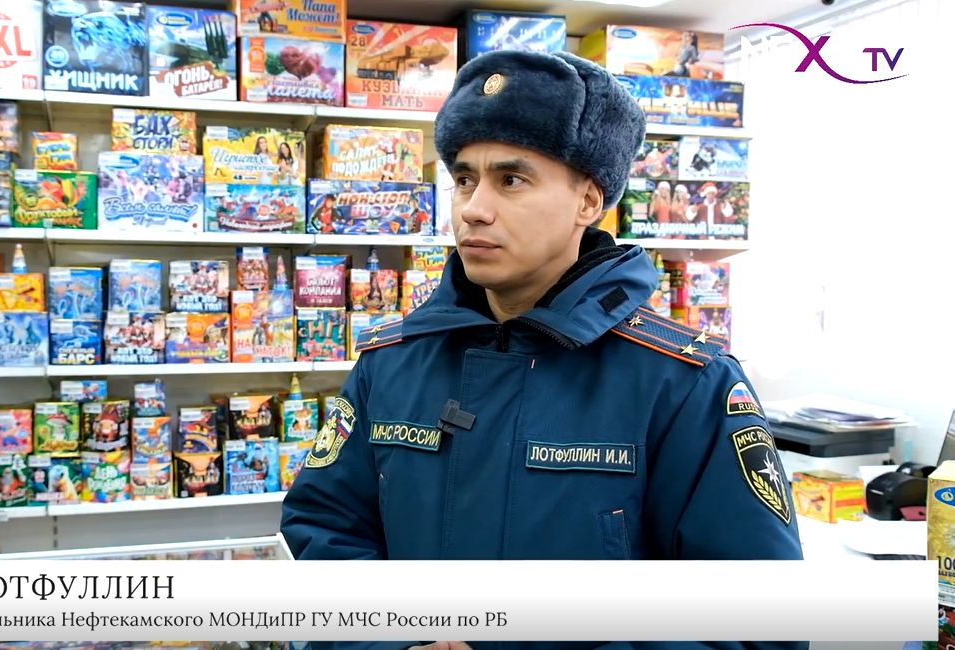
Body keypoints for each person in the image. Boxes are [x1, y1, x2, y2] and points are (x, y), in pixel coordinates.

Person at [281, 49, 806, 650]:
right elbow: (325, 531)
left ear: (589, 201)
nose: (474, 209)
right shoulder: (391, 362)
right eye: (464, 180)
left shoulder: (686, 383)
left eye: (511, 180)